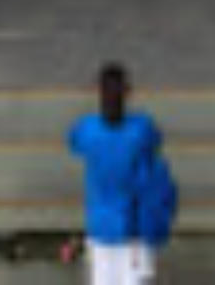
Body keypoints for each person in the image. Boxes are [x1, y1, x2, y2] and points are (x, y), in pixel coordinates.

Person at [65, 61, 173, 284]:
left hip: (101, 229)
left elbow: (73, 144)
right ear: (128, 92)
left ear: (98, 92)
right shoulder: (142, 128)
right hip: (134, 230)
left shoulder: (86, 129)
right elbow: (156, 144)